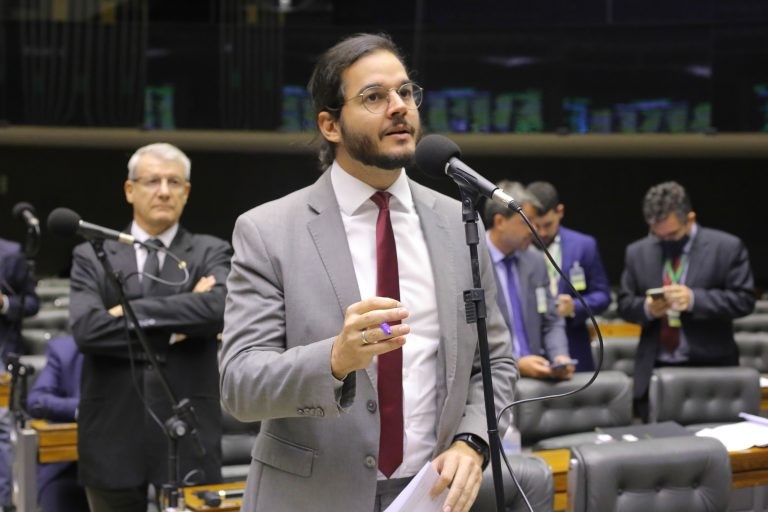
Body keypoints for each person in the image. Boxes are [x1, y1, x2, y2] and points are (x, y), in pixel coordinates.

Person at [219, 33, 516, 512]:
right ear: (330, 125)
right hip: (312, 498)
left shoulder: (458, 222)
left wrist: (472, 441)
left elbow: (495, 362)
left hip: (430, 495)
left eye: (405, 92)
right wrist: (335, 359)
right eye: (374, 97)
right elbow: (240, 387)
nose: (399, 107)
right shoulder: (267, 231)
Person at [68, 143, 232, 511]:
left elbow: (218, 308)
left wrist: (128, 311)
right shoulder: (92, 254)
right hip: (111, 431)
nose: (164, 191)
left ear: (186, 192)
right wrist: (177, 327)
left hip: (188, 430)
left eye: (174, 182)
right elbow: (88, 330)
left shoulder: (210, 251)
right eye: (152, 181)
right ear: (130, 190)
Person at [617, 181, 755, 418]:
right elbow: (624, 303)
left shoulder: (726, 247)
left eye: (672, 234)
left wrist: (694, 300)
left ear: (690, 218)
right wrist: (647, 308)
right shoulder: (638, 251)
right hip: (655, 367)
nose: (665, 240)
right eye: (657, 235)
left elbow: (744, 300)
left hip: (711, 369)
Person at [484, 180, 574, 380]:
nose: (534, 230)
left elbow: (551, 319)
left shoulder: (535, 260)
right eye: (527, 221)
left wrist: (559, 355)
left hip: (537, 377)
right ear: (500, 222)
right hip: (493, 380)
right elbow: (466, 337)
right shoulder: (470, 261)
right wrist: (515, 363)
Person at [526, 181, 611, 372]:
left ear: (560, 212)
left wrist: (575, 306)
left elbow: (603, 295)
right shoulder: (519, 249)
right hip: (530, 350)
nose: (542, 233)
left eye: (548, 224)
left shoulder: (584, 245)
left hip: (574, 346)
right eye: (535, 225)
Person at [26, 335, 87, 512]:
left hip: (123, 470)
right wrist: (85, 408)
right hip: (67, 468)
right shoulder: (65, 349)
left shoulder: (135, 347)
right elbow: (37, 401)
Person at [0, 236, 40, 509]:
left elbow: (31, 303)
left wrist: (4, 303)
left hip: (0, 352)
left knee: (1, 427)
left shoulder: (10, 253)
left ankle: (2, 502)